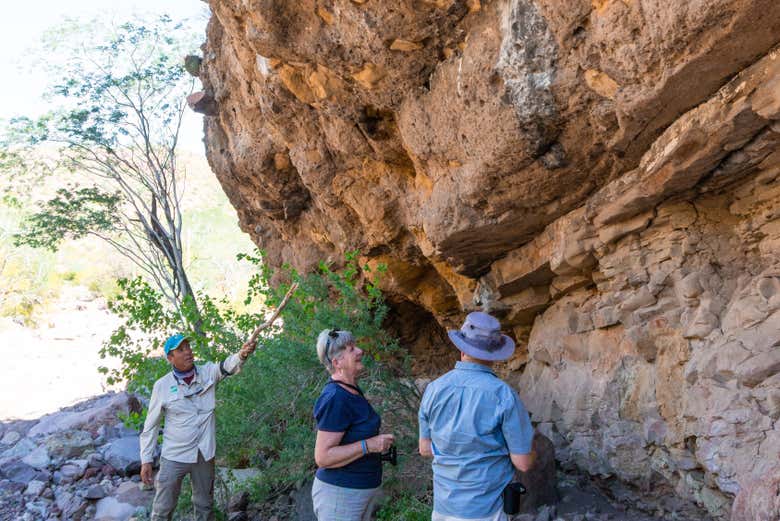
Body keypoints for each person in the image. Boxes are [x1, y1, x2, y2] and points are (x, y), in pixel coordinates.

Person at [418, 312, 536, 521]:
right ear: (495, 354)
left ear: (462, 348)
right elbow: (523, 463)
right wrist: (532, 451)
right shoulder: (503, 394)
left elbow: (425, 449)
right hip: (486, 508)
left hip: (444, 507)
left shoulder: (433, 389)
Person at [139, 333, 257, 521]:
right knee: (162, 509)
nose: (188, 352)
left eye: (188, 347)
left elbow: (227, 366)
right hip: (174, 456)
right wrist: (146, 460)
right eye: (181, 350)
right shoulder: (162, 386)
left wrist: (242, 355)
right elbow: (150, 426)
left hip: (204, 454)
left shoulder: (208, 372)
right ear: (171, 358)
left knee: (205, 506)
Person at [311, 329, 395, 521]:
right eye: (351, 349)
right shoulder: (335, 398)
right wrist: (369, 445)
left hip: (356, 491)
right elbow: (323, 457)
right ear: (337, 363)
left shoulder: (351, 389)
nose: (359, 351)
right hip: (340, 495)